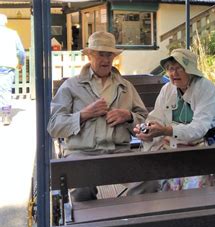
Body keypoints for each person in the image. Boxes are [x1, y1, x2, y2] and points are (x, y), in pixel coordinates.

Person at [48, 31, 148, 201]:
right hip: (83, 153)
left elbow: (146, 122)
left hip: (119, 152)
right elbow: (54, 126)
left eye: (110, 55)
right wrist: (84, 114)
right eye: (101, 54)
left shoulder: (125, 86)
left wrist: (129, 116)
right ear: (89, 56)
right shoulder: (71, 86)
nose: (106, 60)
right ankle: (91, 226)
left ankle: (130, 221)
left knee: (148, 182)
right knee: (80, 187)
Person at [128, 48, 215, 194]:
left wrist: (166, 130)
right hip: (173, 146)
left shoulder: (205, 88)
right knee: (146, 172)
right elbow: (156, 117)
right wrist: (146, 130)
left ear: (191, 71)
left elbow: (199, 129)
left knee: (192, 185)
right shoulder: (167, 89)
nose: (174, 73)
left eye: (180, 68)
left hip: (205, 148)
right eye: (171, 69)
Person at [0, 14, 26, 126]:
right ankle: (6, 116)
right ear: (5, 22)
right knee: (5, 91)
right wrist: (21, 63)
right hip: (7, 66)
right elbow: (21, 51)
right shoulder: (12, 33)